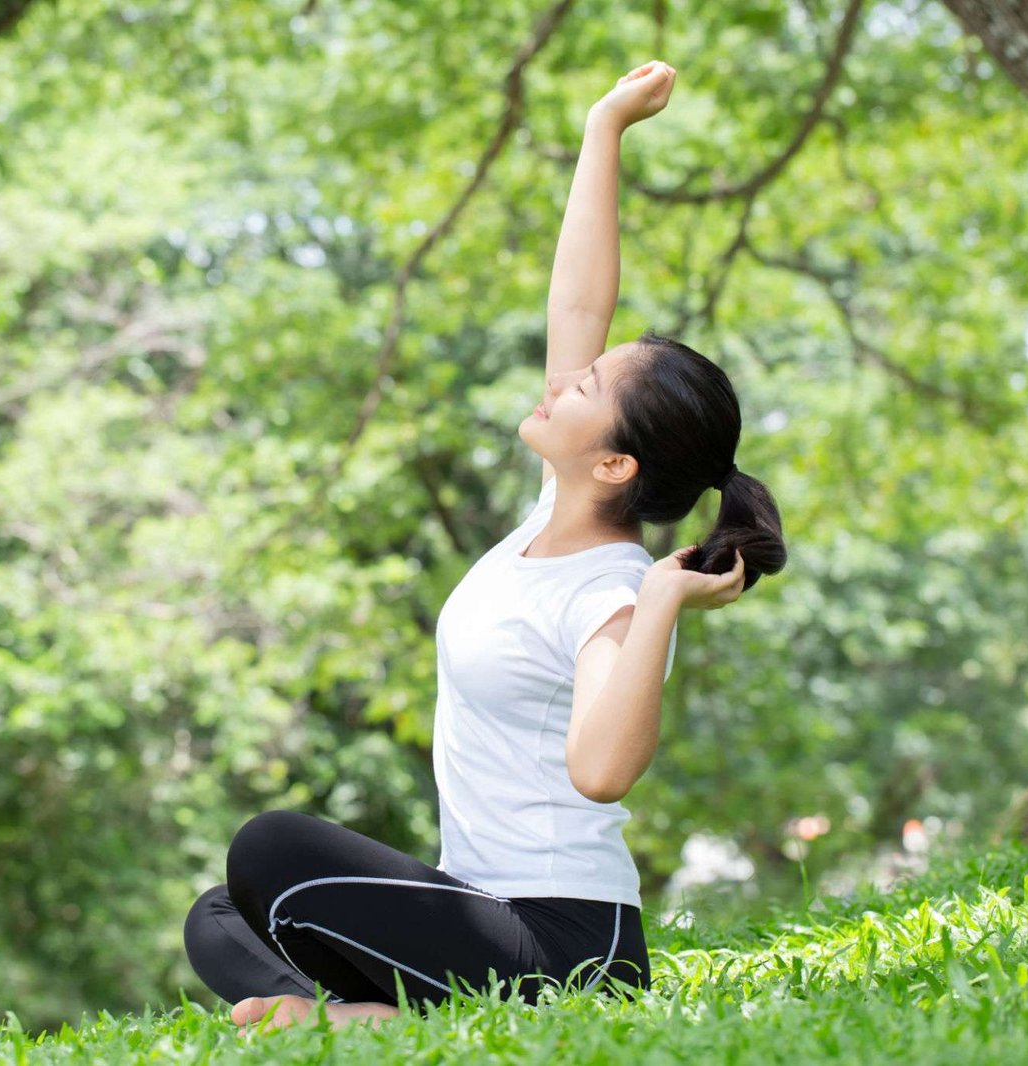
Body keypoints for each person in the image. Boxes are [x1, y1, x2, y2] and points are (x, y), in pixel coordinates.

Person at [182, 58, 788, 1034]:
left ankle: (353, 1023)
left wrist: (664, 605)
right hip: (480, 909)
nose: (561, 381)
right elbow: (578, 303)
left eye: (585, 389)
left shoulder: (613, 594)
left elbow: (600, 771)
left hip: (565, 942)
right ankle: (374, 1020)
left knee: (268, 847)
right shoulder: (547, 517)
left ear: (616, 466)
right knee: (216, 913)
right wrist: (602, 130)